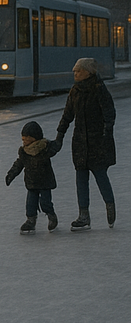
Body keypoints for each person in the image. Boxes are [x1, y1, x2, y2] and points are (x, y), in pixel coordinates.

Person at [56, 57, 116, 230]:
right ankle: (84, 216)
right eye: (74, 70)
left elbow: (109, 114)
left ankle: (110, 206)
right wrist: (60, 135)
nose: (75, 73)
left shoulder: (99, 90)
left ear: (89, 72)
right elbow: (67, 115)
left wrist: (106, 134)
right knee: (81, 180)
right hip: (80, 143)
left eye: (79, 70)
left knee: (101, 176)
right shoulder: (75, 91)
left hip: (97, 142)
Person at [5, 120, 61, 234]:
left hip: (45, 182)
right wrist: (11, 174)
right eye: (23, 138)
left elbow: (56, 147)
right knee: (30, 204)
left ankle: (51, 216)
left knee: (45, 203)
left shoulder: (45, 148)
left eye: (26, 138)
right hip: (31, 183)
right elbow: (19, 164)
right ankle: (30, 221)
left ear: (34, 138)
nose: (23, 140)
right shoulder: (24, 152)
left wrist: (60, 135)